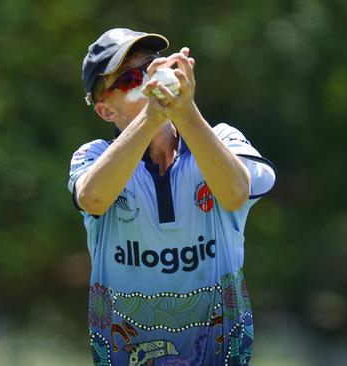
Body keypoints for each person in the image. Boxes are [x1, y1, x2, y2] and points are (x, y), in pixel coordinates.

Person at [68, 28, 276, 366]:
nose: (148, 80)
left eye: (152, 67)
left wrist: (185, 111)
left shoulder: (220, 140)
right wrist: (152, 118)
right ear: (106, 111)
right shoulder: (93, 157)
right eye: (132, 77)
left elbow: (236, 193)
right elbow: (93, 198)